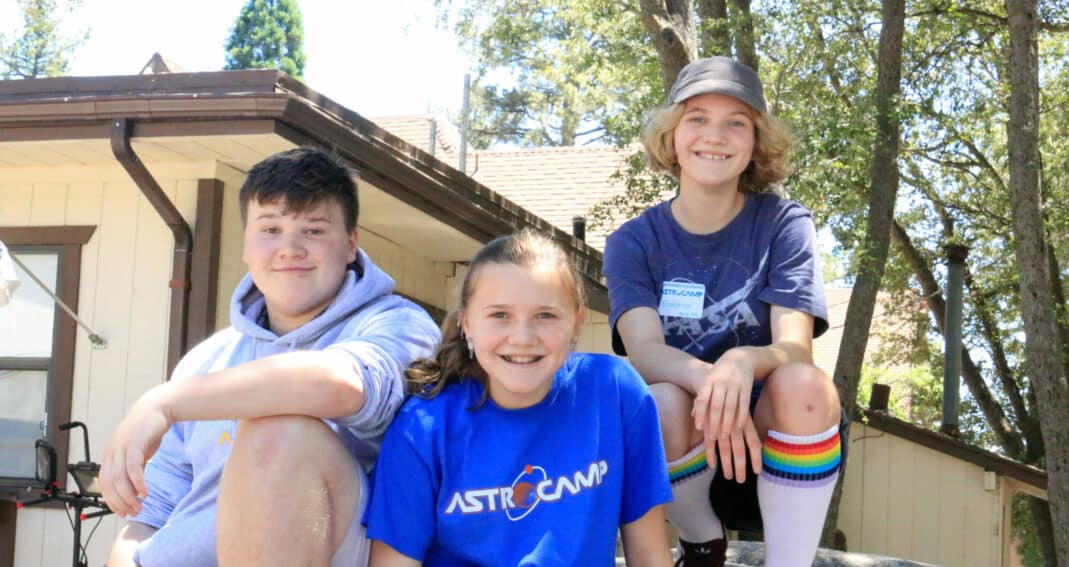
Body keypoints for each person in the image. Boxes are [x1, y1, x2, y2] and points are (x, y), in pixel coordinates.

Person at [100, 147, 441, 567]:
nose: (290, 248)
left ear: (351, 244)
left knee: (279, 425)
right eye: (271, 229)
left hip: (333, 548)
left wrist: (165, 401)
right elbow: (151, 513)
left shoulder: (397, 323)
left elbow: (343, 384)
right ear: (245, 244)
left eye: (314, 230)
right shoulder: (207, 360)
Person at [602, 57, 846, 567]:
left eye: (736, 122)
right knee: (659, 399)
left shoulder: (784, 223)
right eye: (697, 118)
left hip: (775, 444)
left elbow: (795, 348)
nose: (715, 135)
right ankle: (700, 542)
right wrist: (712, 382)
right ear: (671, 136)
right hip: (684, 457)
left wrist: (741, 362)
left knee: (806, 383)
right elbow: (644, 352)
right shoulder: (632, 242)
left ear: (757, 142)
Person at [365, 229, 673, 567]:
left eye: (545, 315)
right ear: (467, 324)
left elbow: (649, 554)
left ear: (576, 322)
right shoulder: (421, 430)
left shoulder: (614, 393)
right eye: (500, 315)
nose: (523, 338)